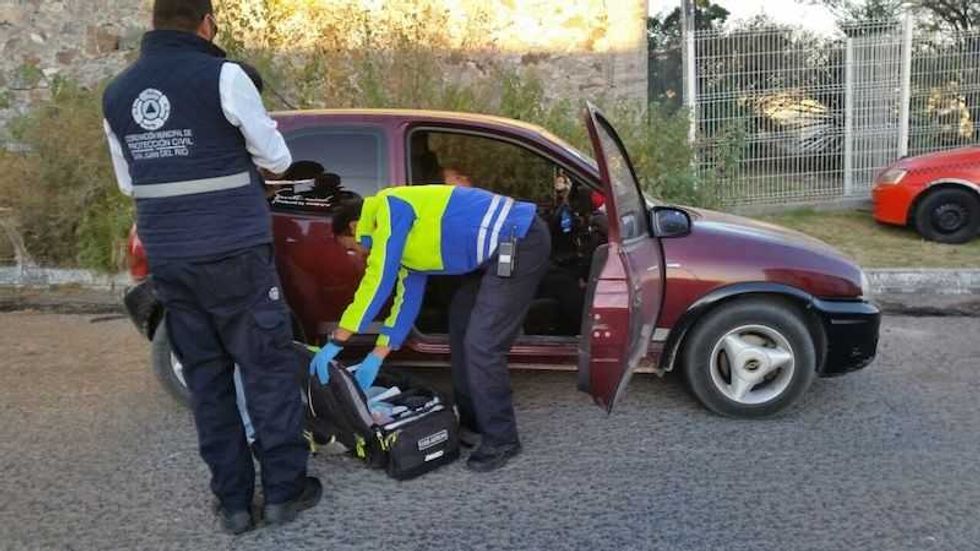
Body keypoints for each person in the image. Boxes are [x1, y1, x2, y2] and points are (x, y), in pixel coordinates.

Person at [101, 0, 319, 534]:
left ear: (152, 24)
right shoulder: (223, 75)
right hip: (236, 255)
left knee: (208, 382)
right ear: (207, 22)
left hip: (172, 258)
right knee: (266, 372)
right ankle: (285, 494)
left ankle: (235, 505)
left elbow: (130, 183)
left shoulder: (117, 93)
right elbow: (278, 160)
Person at [309, 168, 551, 472]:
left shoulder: (389, 207)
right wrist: (377, 355)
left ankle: (502, 437)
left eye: (352, 247)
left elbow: (378, 283)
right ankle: (475, 420)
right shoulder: (404, 245)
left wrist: (337, 341)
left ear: (356, 227)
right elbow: (405, 300)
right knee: (461, 324)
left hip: (519, 239)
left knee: (482, 345)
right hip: (496, 254)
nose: (359, 254)